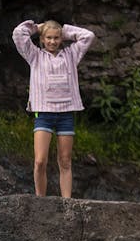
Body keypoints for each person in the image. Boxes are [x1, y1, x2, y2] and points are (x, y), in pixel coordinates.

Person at [11, 18, 95, 199]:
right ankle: (40, 200)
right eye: (48, 37)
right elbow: (18, 34)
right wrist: (37, 28)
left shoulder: (71, 55)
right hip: (44, 113)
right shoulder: (34, 55)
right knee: (40, 161)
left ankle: (67, 202)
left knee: (65, 161)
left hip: (66, 113)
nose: (52, 41)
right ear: (42, 39)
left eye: (56, 38)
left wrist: (62, 30)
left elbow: (88, 36)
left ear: (61, 39)